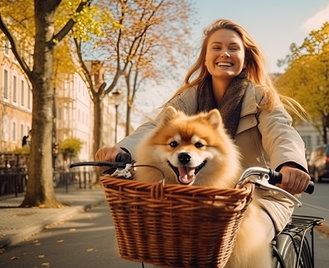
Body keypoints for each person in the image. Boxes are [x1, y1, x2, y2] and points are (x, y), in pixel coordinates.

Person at [95, 19, 310, 241]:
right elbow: (156, 128)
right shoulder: (189, 98)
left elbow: (281, 132)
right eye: (216, 47)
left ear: (245, 59)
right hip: (205, 197)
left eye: (233, 48)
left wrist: (290, 164)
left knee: (243, 241)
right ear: (205, 59)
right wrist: (122, 149)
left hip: (261, 195)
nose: (224, 53)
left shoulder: (262, 99)